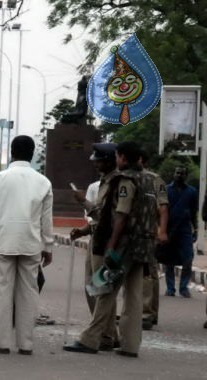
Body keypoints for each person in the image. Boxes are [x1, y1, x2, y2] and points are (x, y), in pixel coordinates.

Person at [65, 141, 159, 358]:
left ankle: (90, 339)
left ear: (123, 158)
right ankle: (130, 345)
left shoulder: (124, 180)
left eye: (118, 156)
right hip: (143, 246)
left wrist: (111, 246)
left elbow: (120, 215)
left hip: (124, 245)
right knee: (134, 297)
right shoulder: (150, 179)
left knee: (104, 290)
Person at [0, 136, 53, 355]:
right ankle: (26, 344)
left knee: (2, 293)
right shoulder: (43, 182)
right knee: (28, 293)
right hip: (31, 244)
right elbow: (46, 220)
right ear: (32, 154)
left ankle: (1, 342)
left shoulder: (1, 179)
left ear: (12, 152)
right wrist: (48, 247)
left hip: (3, 242)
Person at [70, 143, 119, 349]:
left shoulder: (116, 183)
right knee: (93, 287)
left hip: (108, 243)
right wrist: (84, 230)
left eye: (98, 160)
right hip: (97, 238)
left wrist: (84, 202)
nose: (96, 164)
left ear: (108, 161)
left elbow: (109, 217)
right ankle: (108, 335)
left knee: (102, 289)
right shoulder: (103, 182)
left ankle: (92, 337)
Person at [139, 151, 168, 330]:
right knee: (147, 272)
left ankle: (147, 314)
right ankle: (146, 312)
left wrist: (162, 231)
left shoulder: (155, 179)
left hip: (149, 232)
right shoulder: (129, 177)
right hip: (136, 232)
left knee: (148, 273)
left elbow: (163, 207)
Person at [162, 166, 197, 298]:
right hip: (170, 229)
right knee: (169, 260)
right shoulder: (166, 190)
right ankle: (170, 289)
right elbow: (162, 210)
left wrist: (196, 229)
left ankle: (184, 288)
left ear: (185, 176)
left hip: (185, 229)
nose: (179, 175)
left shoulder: (192, 191)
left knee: (188, 258)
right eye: (177, 173)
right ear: (173, 174)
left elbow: (193, 212)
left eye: (182, 173)